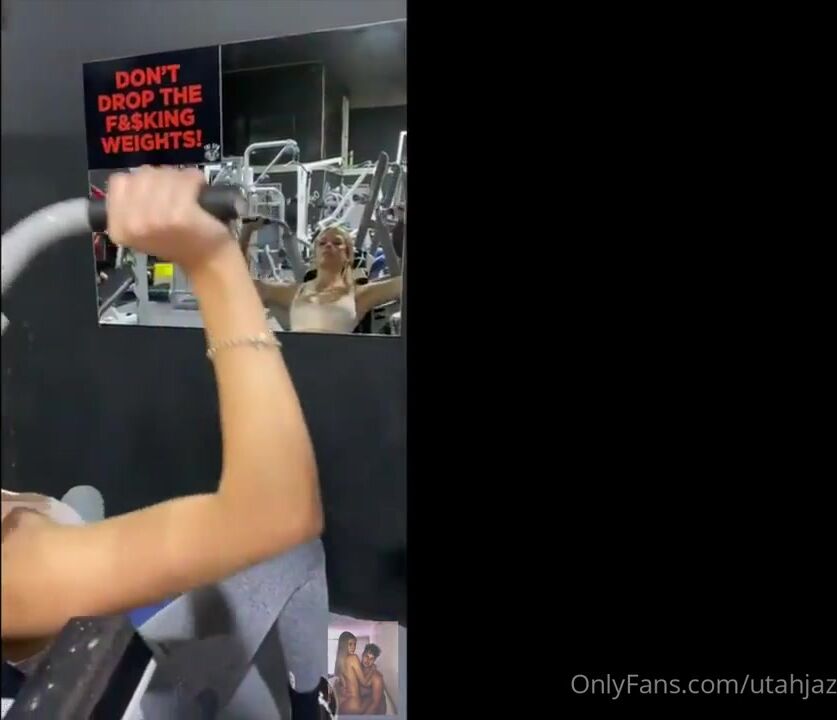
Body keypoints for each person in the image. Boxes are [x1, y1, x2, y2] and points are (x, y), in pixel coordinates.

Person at [1, 168, 323, 687]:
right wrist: (213, 262)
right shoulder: (14, 566)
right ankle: (311, 698)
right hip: (147, 684)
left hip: (98, 618)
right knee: (293, 551)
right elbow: (278, 512)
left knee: (80, 500)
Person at [240, 222, 402, 334]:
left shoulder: (358, 295)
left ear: (348, 256)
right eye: (322, 243)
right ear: (315, 255)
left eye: (337, 243)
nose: (328, 245)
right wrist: (246, 233)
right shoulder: (295, 293)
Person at [333, 630, 372, 714]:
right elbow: (365, 682)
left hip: (344, 704)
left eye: (354, 644)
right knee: (375, 698)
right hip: (354, 704)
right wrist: (372, 669)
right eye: (350, 644)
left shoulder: (340, 662)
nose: (353, 647)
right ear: (343, 645)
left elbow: (342, 685)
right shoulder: (353, 658)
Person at [359, 643, 388, 715]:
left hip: (376, 711)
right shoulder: (357, 669)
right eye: (366, 656)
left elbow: (375, 704)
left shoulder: (377, 678)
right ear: (362, 655)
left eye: (371, 658)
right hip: (364, 703)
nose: (368, 660)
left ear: (374, 660)